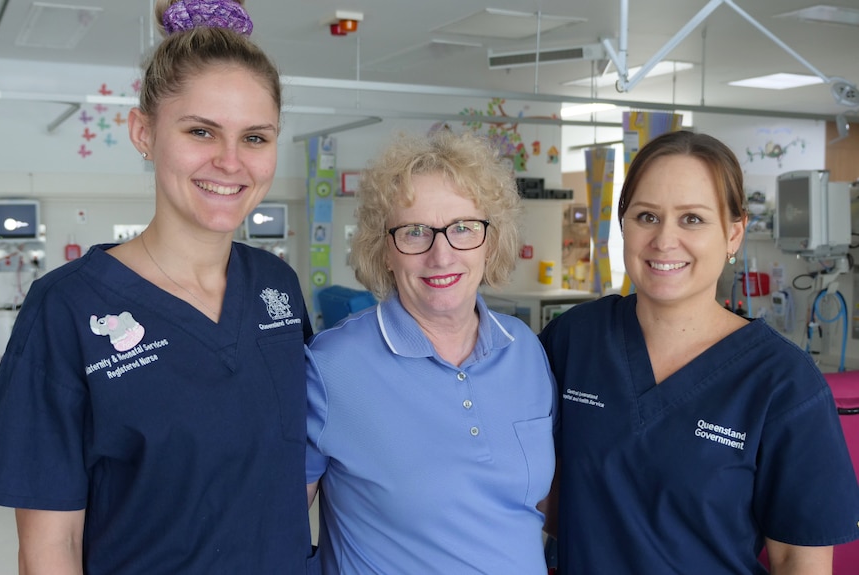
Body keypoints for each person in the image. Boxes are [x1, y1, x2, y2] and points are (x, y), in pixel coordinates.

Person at [0, 1, 318, 573]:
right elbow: (52, 546)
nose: (229, 162)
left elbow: (287, 468)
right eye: (200, 131)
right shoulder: (66, 310)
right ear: (143, 132)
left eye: (255, 138)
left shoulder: (277, 287)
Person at [539, 130, 859, 574]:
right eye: (647, 216)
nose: (665, 240)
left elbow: (798, 560)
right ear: (624, 223)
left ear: (734, 233)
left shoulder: (783, 383)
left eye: (692, 219)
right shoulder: (574, 340)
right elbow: (534, 489)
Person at [305, 129, 556, 574]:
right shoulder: (330, 367)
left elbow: (533, 504)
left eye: (462, 228)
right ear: (384, 250)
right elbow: (271, 526)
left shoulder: (526, 351)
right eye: (415, 231)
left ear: (490, 242)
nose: (441, 255)